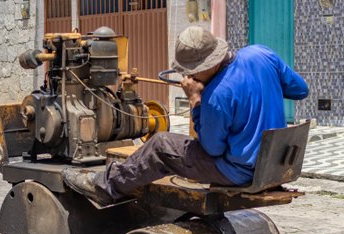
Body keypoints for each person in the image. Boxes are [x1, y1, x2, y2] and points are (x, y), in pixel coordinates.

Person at [63, 26, 309, 206]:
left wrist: (195, 102)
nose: (190, 78)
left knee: (160, 145)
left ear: (206, 66)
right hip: (273, 165)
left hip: (240, 172)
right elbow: (300, 89)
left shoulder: (216, 96)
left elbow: (212, 149)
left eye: (193, 73)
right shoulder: (261, 54)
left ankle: (106, 187)